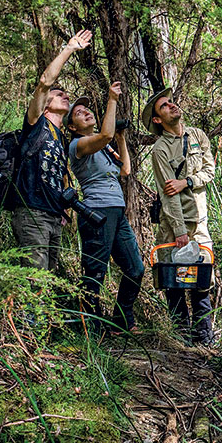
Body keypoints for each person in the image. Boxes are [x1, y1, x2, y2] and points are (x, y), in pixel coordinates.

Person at [142, 89, 219, 347]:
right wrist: (179, 231)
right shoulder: (160, 150)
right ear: (157, 120)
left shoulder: (197, 135)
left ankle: (204, 337)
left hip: (201, 222)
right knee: (174, 278)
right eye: (164, 106)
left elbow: (210, 171)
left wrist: (187, 181)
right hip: (175, 224)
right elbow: (168, 194)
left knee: (203, 277)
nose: (172, 106)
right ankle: (181, 338)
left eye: (171, 102)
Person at [11, 29, 91, 276]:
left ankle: (42, 317)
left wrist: (63, 209)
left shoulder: (60, 137)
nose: (65, 96)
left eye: (66, 95)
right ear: (46, 105)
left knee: (49, 283)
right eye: (59, 95)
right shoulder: (36, 125)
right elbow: (45, 81)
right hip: (32, 213)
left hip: (54, 217)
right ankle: (28, 317)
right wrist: (69, 49)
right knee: (36, 281)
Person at [68, 81, 144, 332]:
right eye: (79, 113)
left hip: (116, 210)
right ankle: (90, 328)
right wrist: (111, 99)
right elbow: (105, 134)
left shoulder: (104, 146)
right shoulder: (78, 146)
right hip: (97, 211)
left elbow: (125, 170)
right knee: (95, 272)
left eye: (87, 110)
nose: (86, 112)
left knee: (135, 267)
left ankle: (121, 320)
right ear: (72, 127)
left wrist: (121, 139)